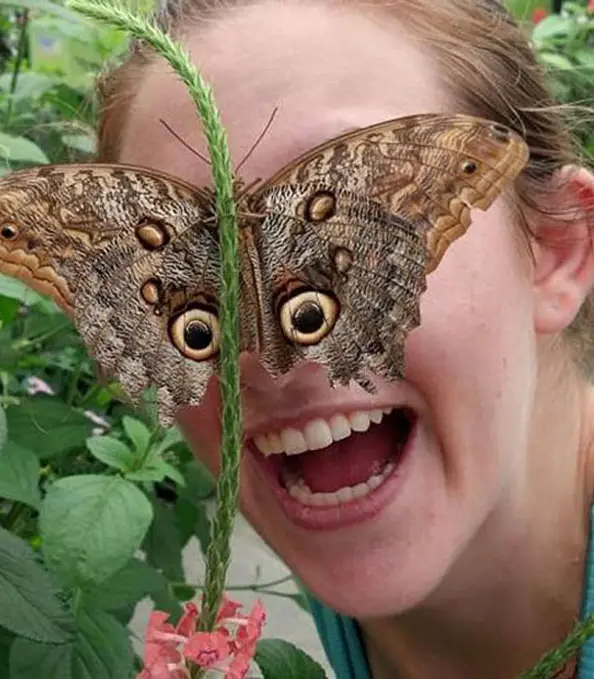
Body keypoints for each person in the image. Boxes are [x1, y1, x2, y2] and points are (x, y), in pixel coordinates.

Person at [95, 0, 594, 677]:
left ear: (556, 249)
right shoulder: (351, 502)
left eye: (354, 226)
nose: (261, 351)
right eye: (181, 268)